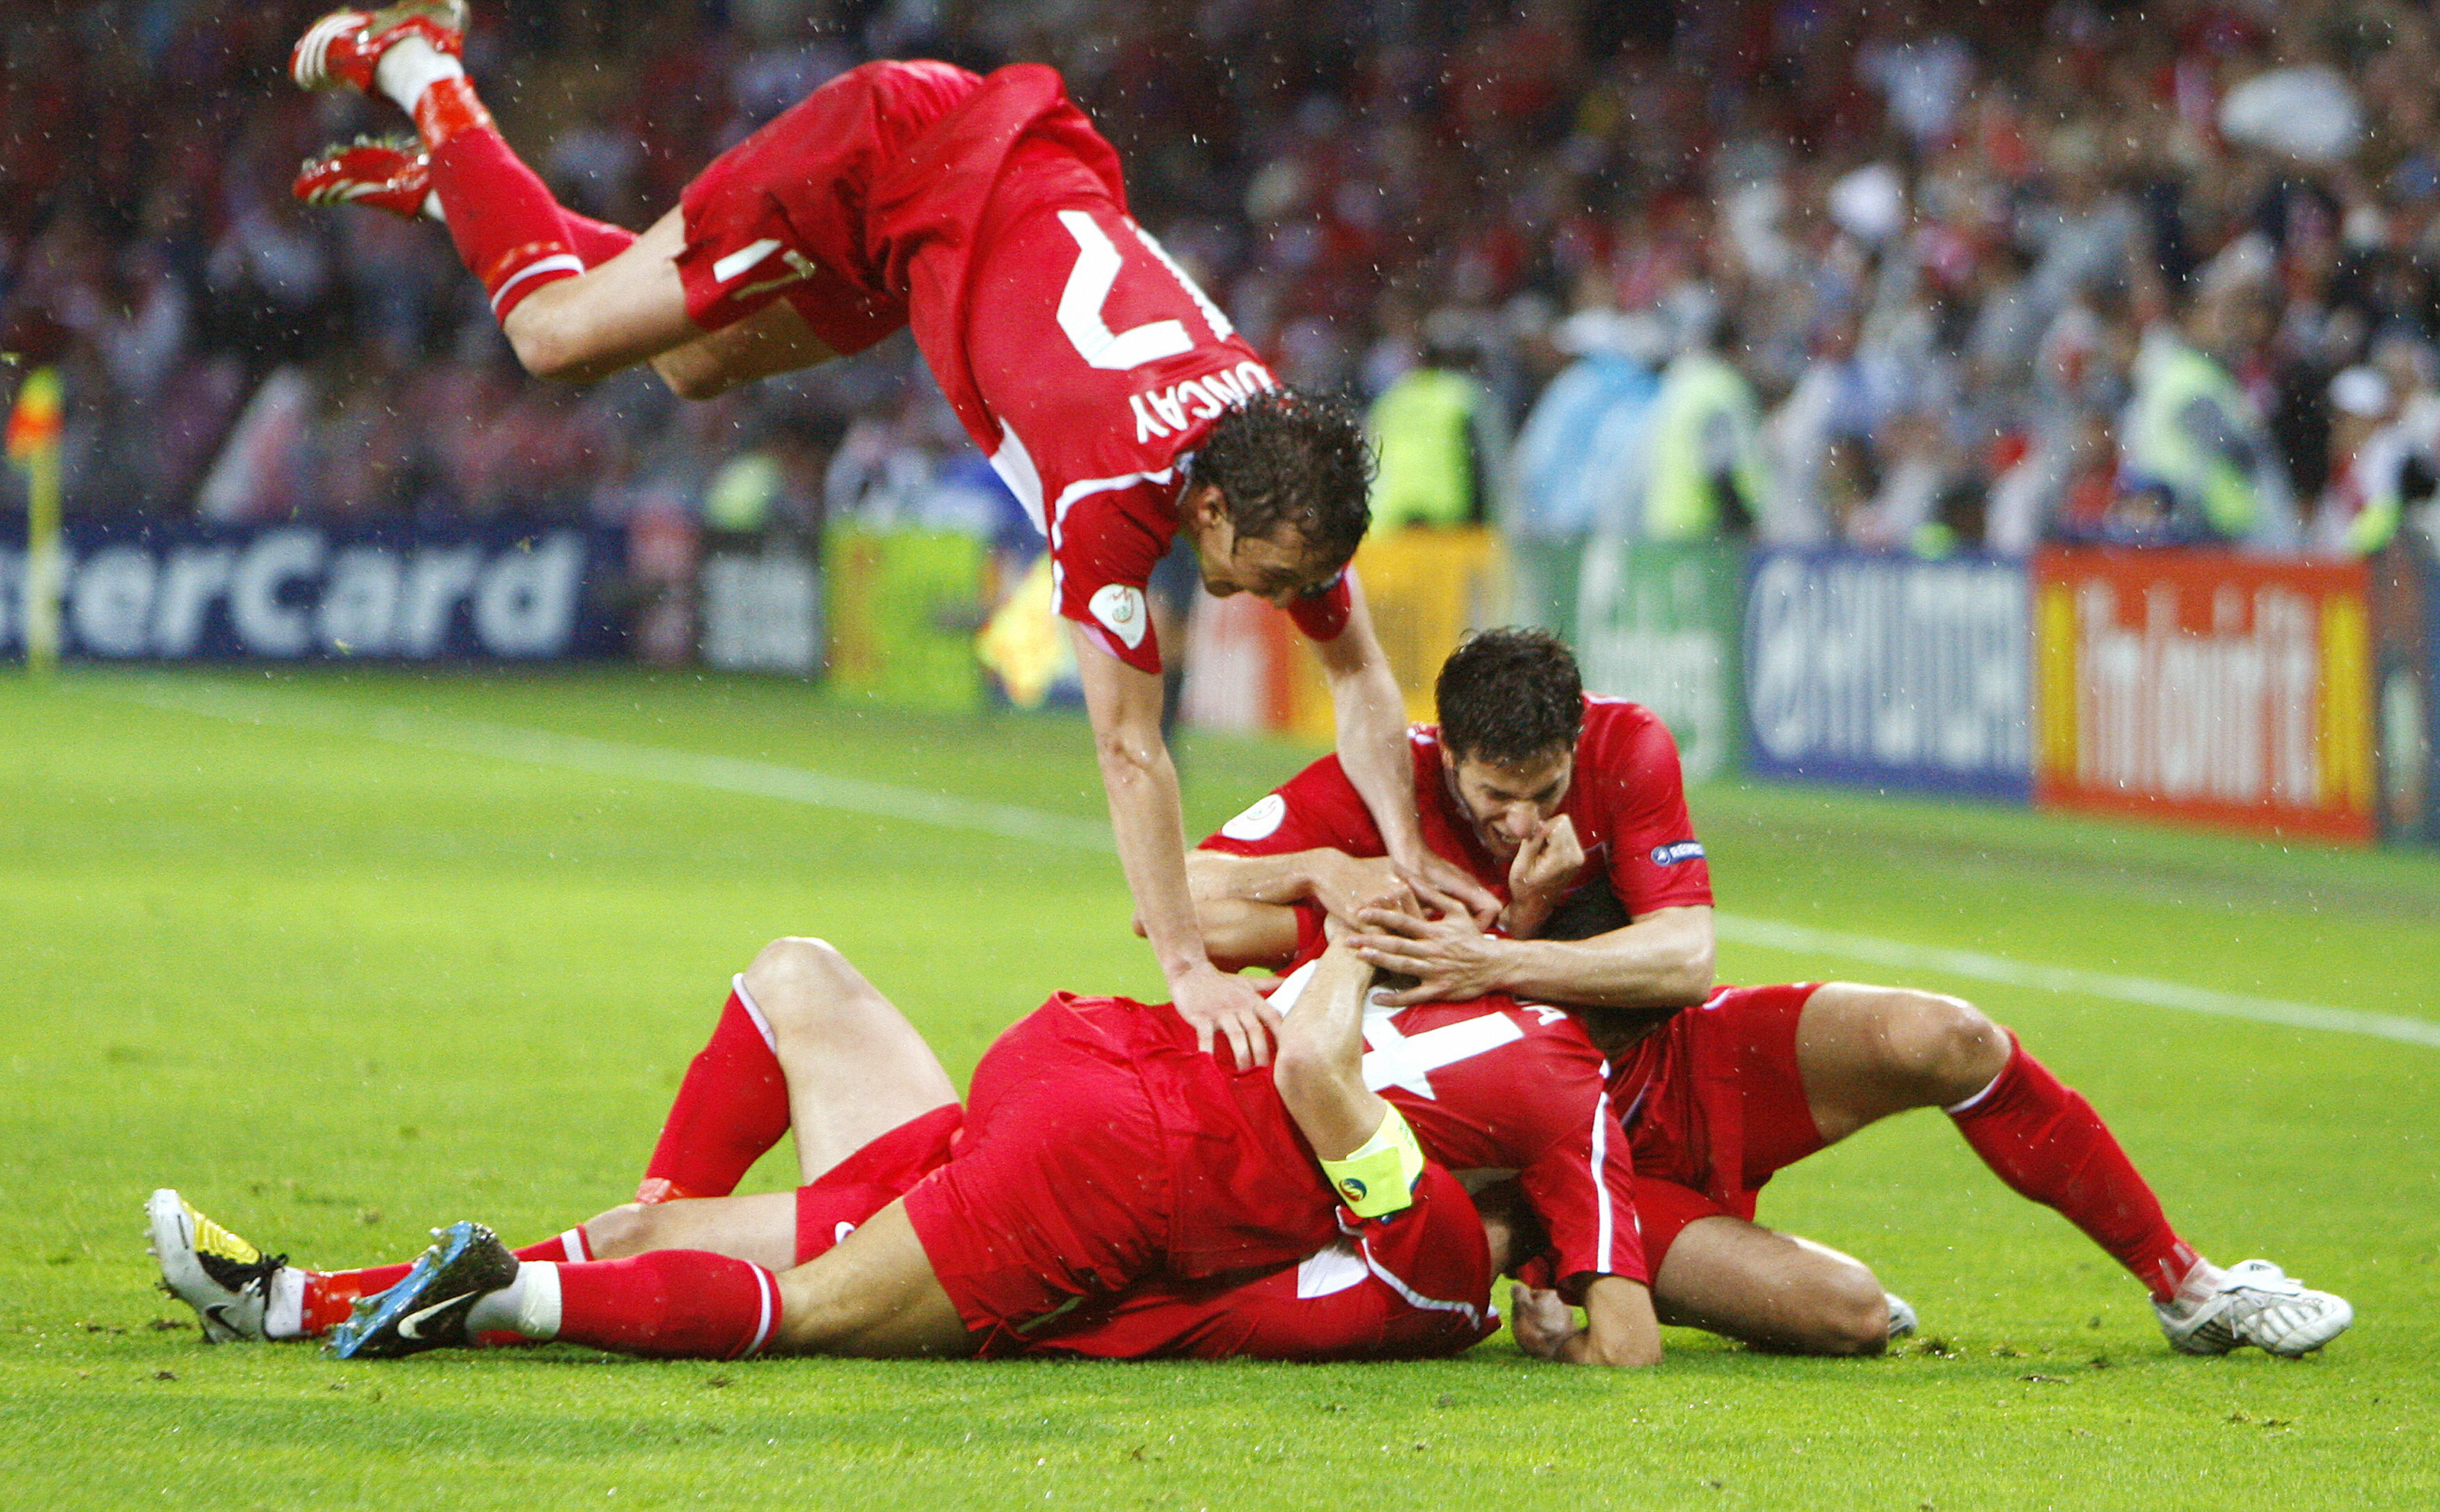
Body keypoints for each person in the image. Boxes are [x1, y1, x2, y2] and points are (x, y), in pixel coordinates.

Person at [284, 4, 1500, 1064]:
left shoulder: (1265, 443)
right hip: (881, 160)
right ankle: (425, 75)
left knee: (694, 362)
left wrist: (1407, 844)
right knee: (554, 334)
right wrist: (1187, 971)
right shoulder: (1109, 500)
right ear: (1211, 510)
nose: (1254, 599)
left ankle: (480, 198)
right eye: (1263, 577)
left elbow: (1358, 665)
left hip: (962, 205)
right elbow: (1132, 754)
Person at [1187, 627, 2355, 1358]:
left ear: (1576, 744)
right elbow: (1177, 903)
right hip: (1566, 1154)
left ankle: (2190, 1287)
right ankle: (1552, 1263)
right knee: (1852, 1318)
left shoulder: (1627, 749)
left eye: (1543, 790)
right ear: (1446, 757)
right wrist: (1319, 871)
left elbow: (1686, 958)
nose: (1521, 820)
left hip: (1681, 1060)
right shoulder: (1383, 785)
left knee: (1948, 1035)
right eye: (1495, 795)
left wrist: (1498, 958)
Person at [152, 914, 1656, 1366]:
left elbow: (1307, 1005)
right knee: (797, 1318)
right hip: (1091, 1155)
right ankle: (503, 1295)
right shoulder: (1439, 1263)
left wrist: (1356, 931)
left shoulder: (1421, 1014)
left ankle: (291, 1295)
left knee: (793, 985)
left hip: (1059, 1060)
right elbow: (1332, 1093)